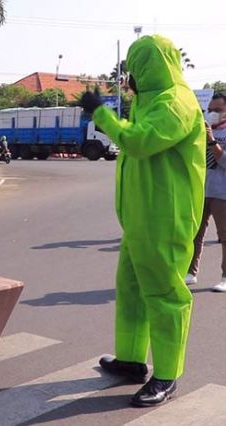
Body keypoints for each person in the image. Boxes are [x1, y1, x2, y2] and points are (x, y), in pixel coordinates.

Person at [80, 35, 205, 407]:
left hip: (166, 218)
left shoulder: (176, 103)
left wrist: (102, 115)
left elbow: (140, 142)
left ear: (150, 68)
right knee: (132, 289)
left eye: (133, 71)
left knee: (165, 295)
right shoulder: (148, 102)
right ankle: (132, 360)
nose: (128, 79)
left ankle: (166, 374)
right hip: (141, 219)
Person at [186, 93, 226, 291]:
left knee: (224, 236)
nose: (212, 114)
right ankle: (191, 272)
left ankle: (225, 277)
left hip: (222, 193)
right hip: (201, 190)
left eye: (217, 110)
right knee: (195, 233)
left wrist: (211, 141)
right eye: (210, 110)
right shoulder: (202, 130)